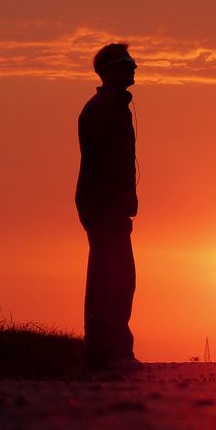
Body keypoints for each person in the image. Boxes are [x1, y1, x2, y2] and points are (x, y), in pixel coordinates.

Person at [76, 42, 142, 370]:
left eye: (132, 62)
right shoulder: (100, 109)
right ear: (109, 70)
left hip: (112, 204)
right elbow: (100, 164)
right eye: (126, 62)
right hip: (103, 204)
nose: (133, 67)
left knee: (121, 275)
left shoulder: (115, 107)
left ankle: (113, 349)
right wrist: (113, 202)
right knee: (109, 275)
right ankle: (105, 352)